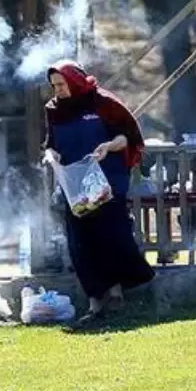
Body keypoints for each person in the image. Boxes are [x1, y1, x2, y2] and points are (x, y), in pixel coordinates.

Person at [44, 60, 154, 323]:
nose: (57, 90)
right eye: (54, 85)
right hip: (75, 185)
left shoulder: (103, 102)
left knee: (112, 236)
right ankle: (95, 303)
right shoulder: (53, 109)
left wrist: (108, 146)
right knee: (80, 244)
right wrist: (51, 157)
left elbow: (127, 137)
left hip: (108, 180)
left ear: (74, 81)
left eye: (61, 84)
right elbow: (50, 144)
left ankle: (119, 293)